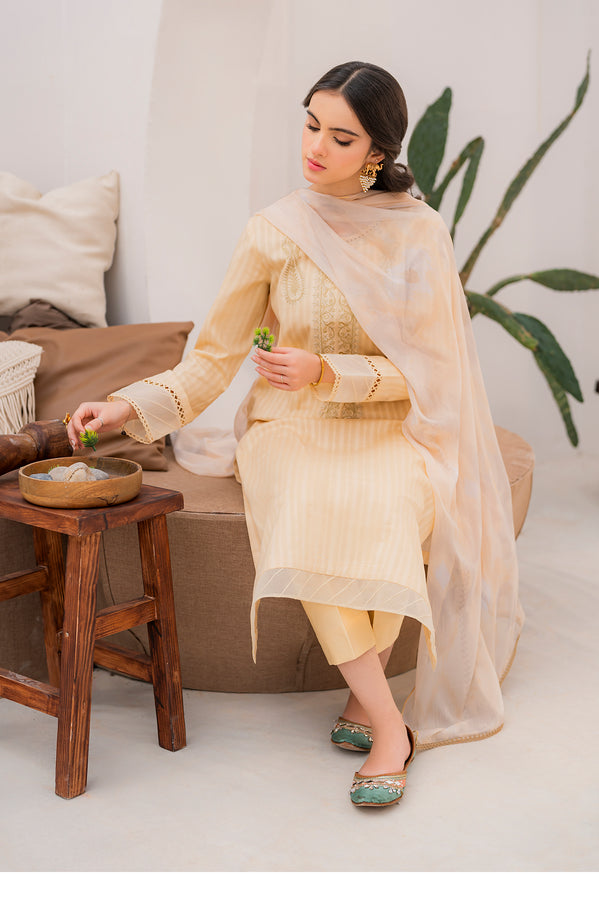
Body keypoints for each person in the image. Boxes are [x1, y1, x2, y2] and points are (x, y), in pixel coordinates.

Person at [67, 61, 523, 809]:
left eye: (341, 138)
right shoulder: (274, 231)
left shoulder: (417, 233)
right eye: (311, 125)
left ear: (377, 152)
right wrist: (127, 406)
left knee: (388, 507)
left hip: (390, 424)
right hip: (288, 427)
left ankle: (359, 700)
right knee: (315, 509)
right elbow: (214, 359)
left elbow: (433, 371)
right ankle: (389, 726)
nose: (315, 147)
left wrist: (326, 369)